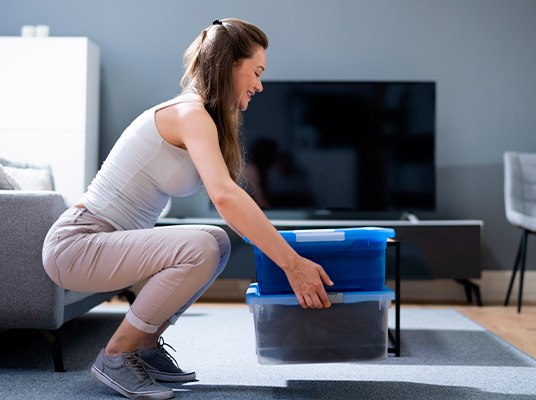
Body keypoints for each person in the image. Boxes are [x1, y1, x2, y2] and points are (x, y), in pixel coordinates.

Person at [41, 18, 333, 400]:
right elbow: (225, 197)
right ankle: (115, 356)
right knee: (203, 244)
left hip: (105, 244)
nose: (260, 85)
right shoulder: (189, 113)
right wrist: (291, 264)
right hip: (78, 243)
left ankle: (144, 346)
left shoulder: (201, 117)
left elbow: (232, 198)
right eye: (257, 72)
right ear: (230, 64)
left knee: (217, 242)